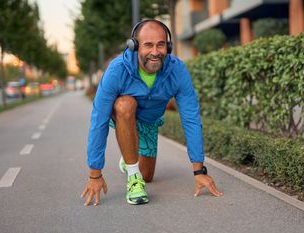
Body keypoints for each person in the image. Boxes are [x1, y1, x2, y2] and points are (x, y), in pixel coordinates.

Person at [81, 19, 223, 206]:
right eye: (148, 45)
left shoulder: (177, 70)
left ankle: (128, 158)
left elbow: (191, 118)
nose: (155, 52)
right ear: (134, 46)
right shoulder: (117, 70)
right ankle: (133, 177)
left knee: (147, 176)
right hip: (123, 115)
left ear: (169, 46)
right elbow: (98, 120)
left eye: (161, 45)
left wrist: (199, 171)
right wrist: (95, 173)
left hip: (149, 121)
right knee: (125, 104)